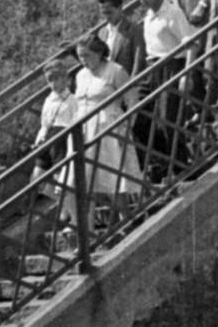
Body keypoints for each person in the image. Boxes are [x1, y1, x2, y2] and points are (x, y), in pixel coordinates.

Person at [73, 34, 142, 230]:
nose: (83, 60)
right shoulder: (81, 75)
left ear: (99, 52)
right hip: (84, 128)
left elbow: (133, 99)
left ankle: (125, 218)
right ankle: (88, 227)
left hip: (108, 125)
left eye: (87, 55)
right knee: (85, 176)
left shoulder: (115, 71)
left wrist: (126, 126)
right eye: (80, 56)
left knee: (112, 174)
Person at [135, 0, 194, 177]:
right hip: (152, 68)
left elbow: (190, 44)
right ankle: (163, 157)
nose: (142, 0)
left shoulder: (173, 13)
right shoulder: (149, 16)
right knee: (138, 117)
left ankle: (180, 167)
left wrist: (186, 74)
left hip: (171, 65)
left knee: (169, 118)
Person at [32, 56, 79, 234]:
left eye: (57, 79)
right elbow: (45, 123)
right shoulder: (49, 100)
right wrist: (39, 139)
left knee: (62, 181)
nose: (53, 84)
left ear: (66, 79)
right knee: (37, 180)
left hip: (63, 140)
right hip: (48, 139)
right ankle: (63, 205)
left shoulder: (72, 100)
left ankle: (75, 219)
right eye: (49, 80)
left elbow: (76, 122)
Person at [96, 0, 145, 77]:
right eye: (103, 13)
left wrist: (132, 83)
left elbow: (139, 63)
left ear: (119, 8)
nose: (106, 17)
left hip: (125, 81)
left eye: (109, 12)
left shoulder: (134, 29)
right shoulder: (102, 33)